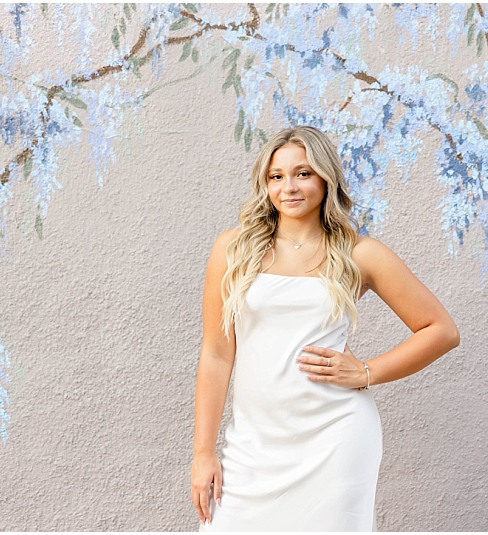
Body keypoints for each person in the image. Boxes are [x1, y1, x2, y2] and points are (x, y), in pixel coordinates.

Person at [191, 126, 460, 531]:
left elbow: (441, 330)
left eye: (303, 173)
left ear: (325, 178)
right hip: (252, 444)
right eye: (276, 176)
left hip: (337, 436)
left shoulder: (360, 253)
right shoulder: (233, 249)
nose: (289, 187)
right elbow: (216, 353)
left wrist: (367, 372)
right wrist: (203, 452)